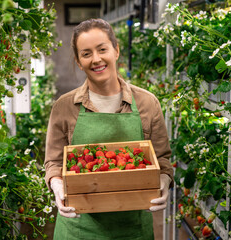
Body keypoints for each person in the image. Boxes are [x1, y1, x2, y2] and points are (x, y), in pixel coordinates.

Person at [44, 18, 173, 240]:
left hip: (132, 229)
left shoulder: (147, 103)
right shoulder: (65, 107)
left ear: (116, 50)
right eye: (86, 54)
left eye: (102, 49)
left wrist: (163, 182)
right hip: (78, 228)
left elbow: (161, 160)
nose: (96, 59)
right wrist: (57, 185)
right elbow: (54, 162)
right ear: (78, 61)